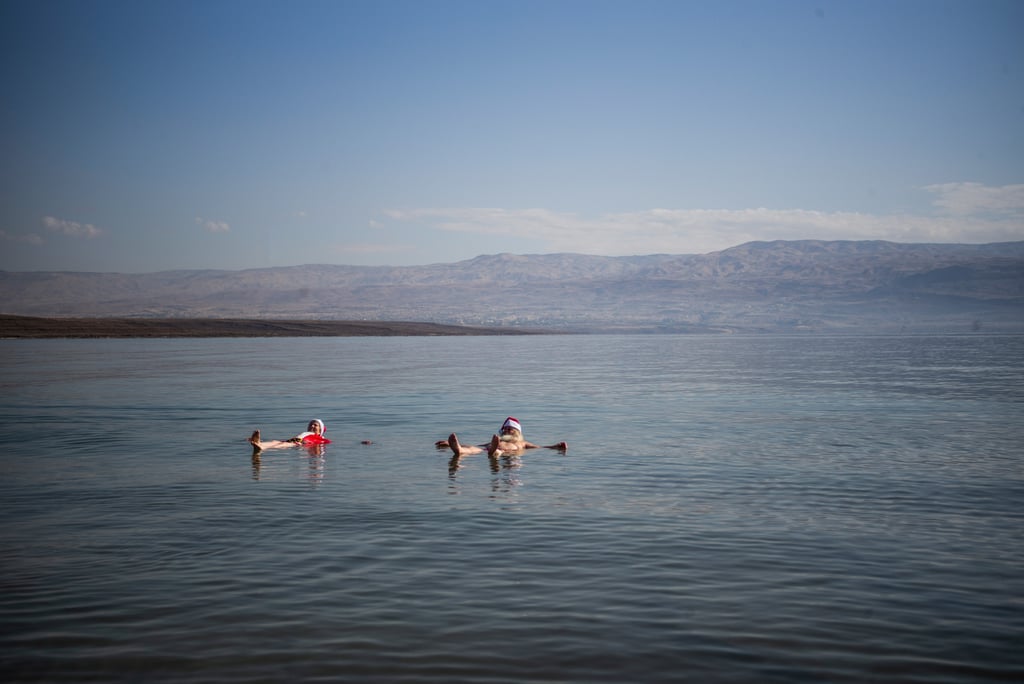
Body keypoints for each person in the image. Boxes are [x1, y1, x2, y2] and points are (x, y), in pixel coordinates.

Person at [437, 416, 568, 457]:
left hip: (506, 451)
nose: (507, 431)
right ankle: (458, 449)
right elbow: (476, 445)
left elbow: (540, 447)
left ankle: (494, 451)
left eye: (511, 429)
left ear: (517, 432)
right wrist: (449, 445)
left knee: (497, 451)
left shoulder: (522, 443)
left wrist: (556, 446)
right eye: (505, 429)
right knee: (473, 449)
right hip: (489, 448)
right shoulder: (497, 439)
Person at [249, 419, 330, 453]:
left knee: (284, 444)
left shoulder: (318, 437)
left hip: (300, 442)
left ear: (320, 431)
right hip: (297, 441)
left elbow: (326, 442)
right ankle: (259, 443)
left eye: (315, 425)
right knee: (275, 441)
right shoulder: (308, 433)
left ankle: (262, 447)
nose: (312, 426)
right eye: (310, 425)